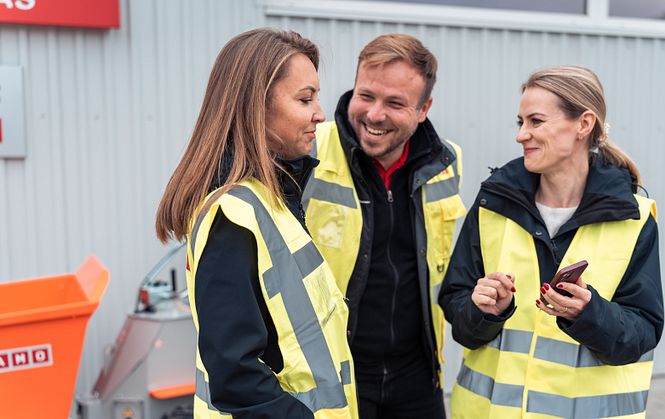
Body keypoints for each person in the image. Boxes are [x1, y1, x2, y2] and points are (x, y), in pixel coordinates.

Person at [155, 28, 358, 419]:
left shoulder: (272, 201)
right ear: (256, 106)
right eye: (305, 98)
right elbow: (236, 375)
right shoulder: (233, 216)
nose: (320, 113)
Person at [439, 66, 664, 419]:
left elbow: (641, 334)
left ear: (583, 124)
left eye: (536, 121)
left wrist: (589, 314)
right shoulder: (492, 205)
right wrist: (484, 311)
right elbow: (458, 315)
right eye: (520, 122)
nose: (522, 135)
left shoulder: (634, 219)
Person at [302, 33, 466, 419]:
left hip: (418, 374)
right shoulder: (308, 150)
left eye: (395, 103)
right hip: (334, 373)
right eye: (366, 96)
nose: (375, 115)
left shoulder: (447, 161)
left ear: (424, 108)